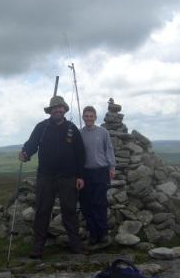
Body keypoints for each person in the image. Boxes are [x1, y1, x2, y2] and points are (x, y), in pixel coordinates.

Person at [19, 95, 85, 259]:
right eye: (55, 108)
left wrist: (80, 176)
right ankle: (37, 247)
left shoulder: (72, 128)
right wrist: (25, 153)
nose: (58, 110)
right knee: (42, 210)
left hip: (68, 176)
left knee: (69, 210)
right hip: (45, 175)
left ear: (64, 109)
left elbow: (80, 153)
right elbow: (32, 144)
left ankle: (75, 245)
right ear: (51, 110)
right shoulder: (41, 127)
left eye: (60, 107)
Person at [79, 105, 116, 245]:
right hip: (85, 173)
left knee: (100, 203)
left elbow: (109, 149)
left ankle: (103, 233)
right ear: (83, 117)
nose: (89, 118)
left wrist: (112, 167)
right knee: (87, 205)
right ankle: (93, 234)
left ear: (95, 117)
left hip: (101, 172)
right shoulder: (79, 133)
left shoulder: (103, 132)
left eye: (91, 116)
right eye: (86, 116)